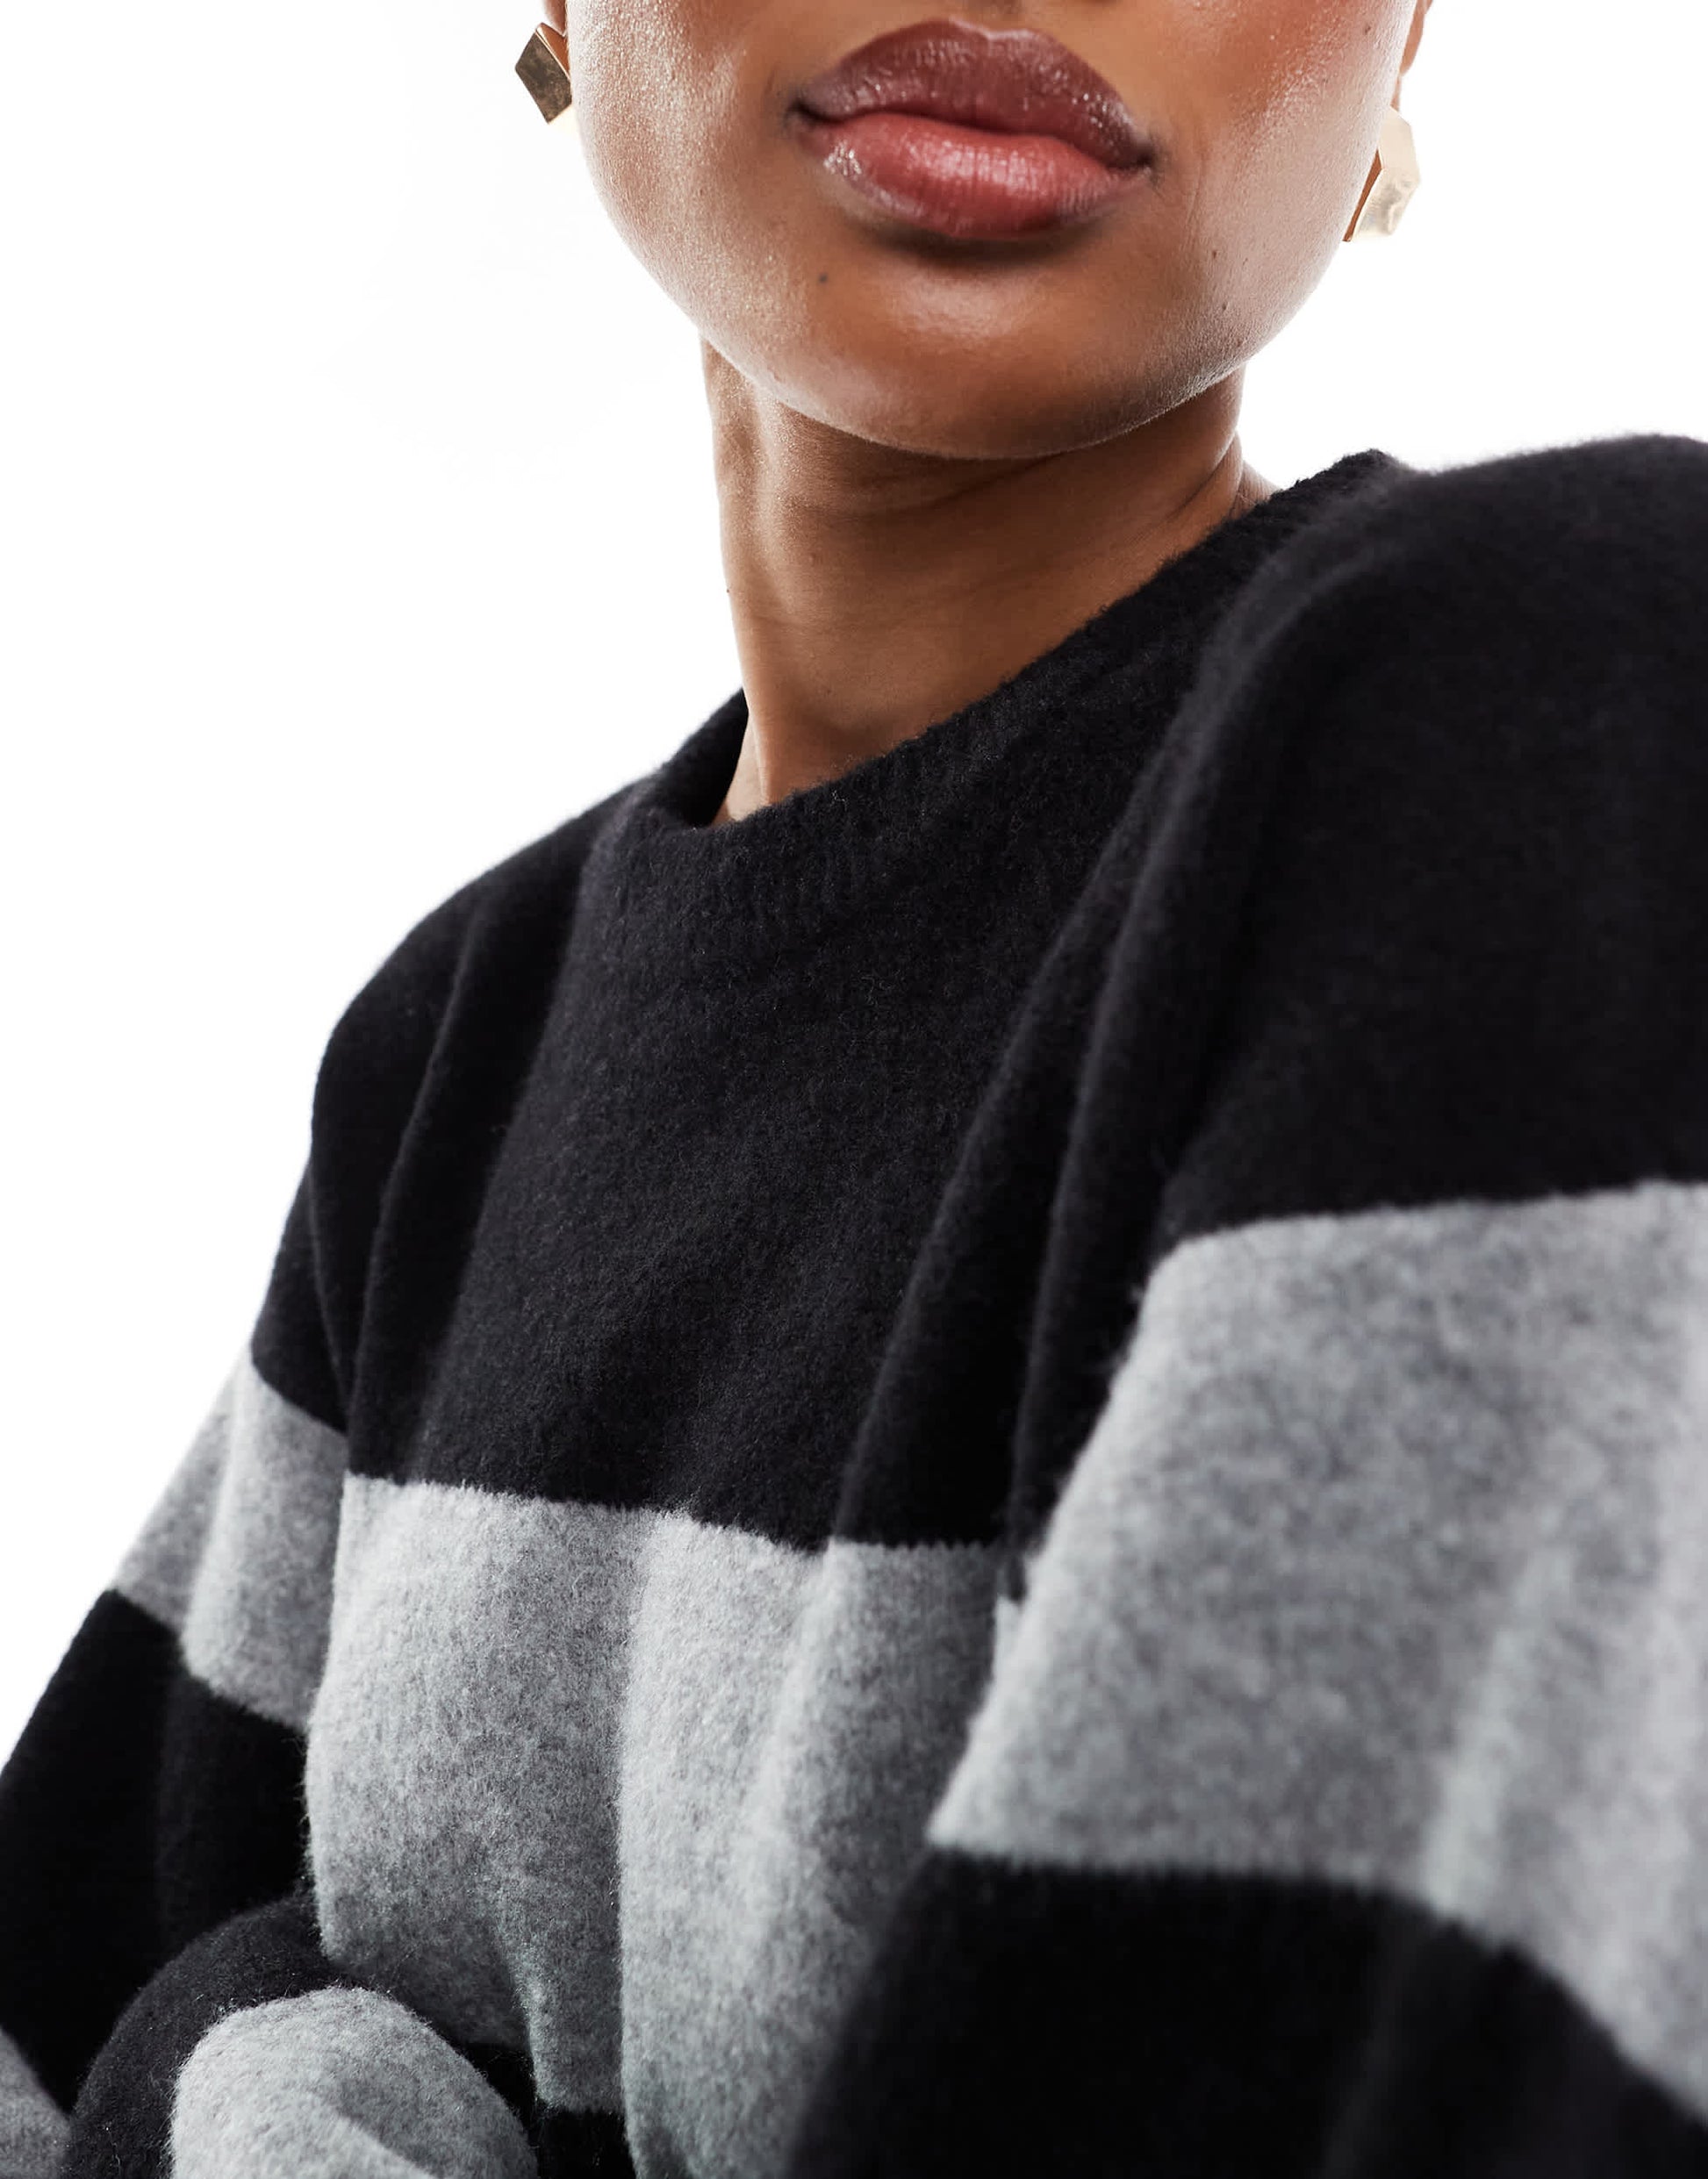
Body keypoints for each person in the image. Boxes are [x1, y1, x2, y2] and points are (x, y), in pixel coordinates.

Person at [4, 3, 1708, 2174]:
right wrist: (251, 2058)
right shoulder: (456, 1051)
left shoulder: (1574, 731)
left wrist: (288, 2064)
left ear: (1399, 65)